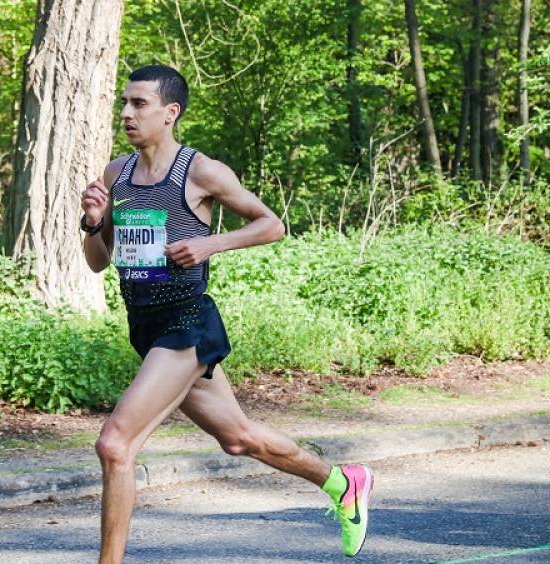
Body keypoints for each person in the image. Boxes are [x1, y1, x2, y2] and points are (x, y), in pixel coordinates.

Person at [79, 64, 373, 563]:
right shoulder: (115, 174)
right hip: (146, 326)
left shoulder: (200, 171)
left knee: (115, 445)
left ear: (170, 113)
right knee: (239, 438)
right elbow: (99, 263)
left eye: (139, 104)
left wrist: (210, 243)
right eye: (124, 104)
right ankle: (344, 482)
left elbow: (271, 225)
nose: (126, 113)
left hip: (187, 323)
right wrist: (92, 223)